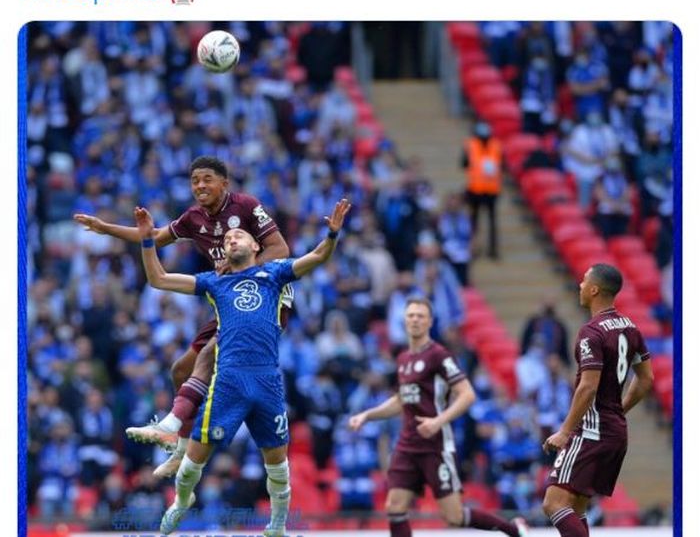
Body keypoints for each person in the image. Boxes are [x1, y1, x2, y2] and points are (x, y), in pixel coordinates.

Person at [133, 198, 352, 536]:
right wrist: (148, 240)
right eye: (226, 240)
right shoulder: (214, 282)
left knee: (277, 464)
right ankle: (181, 502)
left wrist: (333, 234)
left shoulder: (275, 274)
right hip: (228, 384)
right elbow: (159, 279)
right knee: (194, 460)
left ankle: (277, 524)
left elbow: (319, 256)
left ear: (255, 244)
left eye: (238, 236)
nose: (231, 239)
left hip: (267, 382)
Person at [74, 155, 290, 477]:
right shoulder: (193, 218)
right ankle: (180, 447)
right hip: (229, 304)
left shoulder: (245, 206)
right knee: (180, 370)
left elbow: (280, 249)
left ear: (224, 183)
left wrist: (236, 267)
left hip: (266, 299)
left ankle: (176, 426)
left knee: (207, 355)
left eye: (207, 179)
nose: (200, 186)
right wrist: (106, 229)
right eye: (194, 181)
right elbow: (154, 236)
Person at [348, 298, 528, 537]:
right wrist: (367, 415)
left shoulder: (439, 356)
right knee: (395, 507)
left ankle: (512, 528)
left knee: (454, 517)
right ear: (404, 320)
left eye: (420, 316)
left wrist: (438, 421)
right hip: (407, 444)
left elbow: (467, 395)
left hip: (435, 446)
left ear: (430, 322)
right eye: (411, 315)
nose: (415, 320)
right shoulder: (403, 359)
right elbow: (402, 400)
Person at [541, 263, 655, 537]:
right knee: (576, 508)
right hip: (614, 431)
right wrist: (619, 409)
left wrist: (565, 431)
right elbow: (646, 379)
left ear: (594, 290)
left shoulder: (591, 333)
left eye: (583, 281)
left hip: (590, 433)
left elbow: (587, 387)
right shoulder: (630, 327)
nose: (579, 286)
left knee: (553, 503)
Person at [462, 121, 503, 259]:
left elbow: (464, 164)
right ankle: (475, 248)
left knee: (486, 222)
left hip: (490, 190)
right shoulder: (471, 145)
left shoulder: (494, 146)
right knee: (475, 222)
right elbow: (464, 164)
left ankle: (492, 249)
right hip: (477, 189)